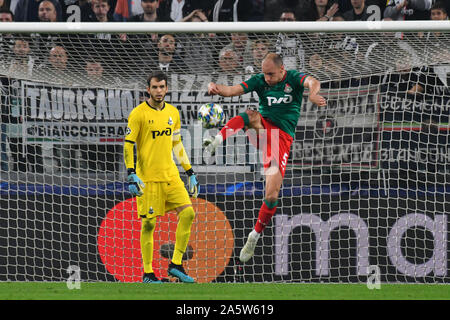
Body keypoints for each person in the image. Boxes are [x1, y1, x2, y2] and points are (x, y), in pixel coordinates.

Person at [204, 53, 327, 262]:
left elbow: (313, 81)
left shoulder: (294, 78)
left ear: (282, 70)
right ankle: (216, 140)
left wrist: (313, 94)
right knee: (251, 115)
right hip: (261, 130)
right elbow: (232, 90)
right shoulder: (260, 80)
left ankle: (254, 236)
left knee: (271, 195)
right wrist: (216, 87)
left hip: (280, 140)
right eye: (265, 74)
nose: (267, 78)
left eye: (271, 74)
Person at [124, 70, 199, 283]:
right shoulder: (138, 114)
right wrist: (131, 173)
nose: (158, 91)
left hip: (171, 176)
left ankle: (175, 264)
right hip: (147, 179)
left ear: (167, 88)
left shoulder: (173, 113)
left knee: (188, 214)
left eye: (162, 87)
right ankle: (148, 273)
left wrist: (190, 172)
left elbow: (177, 144)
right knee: (148, 225)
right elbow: (128, 145)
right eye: (155, 87)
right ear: (148, 89)